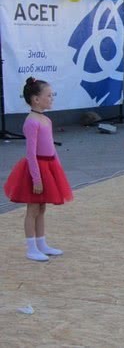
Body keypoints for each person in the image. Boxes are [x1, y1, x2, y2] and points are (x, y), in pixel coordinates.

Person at [4, 77, 73, 261]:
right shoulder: (31, 122)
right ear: (36, 99)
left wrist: (57, 168)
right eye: (49, 95)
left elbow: (51, 146)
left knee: (42, 208)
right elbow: (31, 153)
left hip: (49, 166)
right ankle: (31, 247)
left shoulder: (45, 120)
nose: (52, 98)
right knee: (33, 208)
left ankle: (42, 243)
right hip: (36, 169)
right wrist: (36, 178)